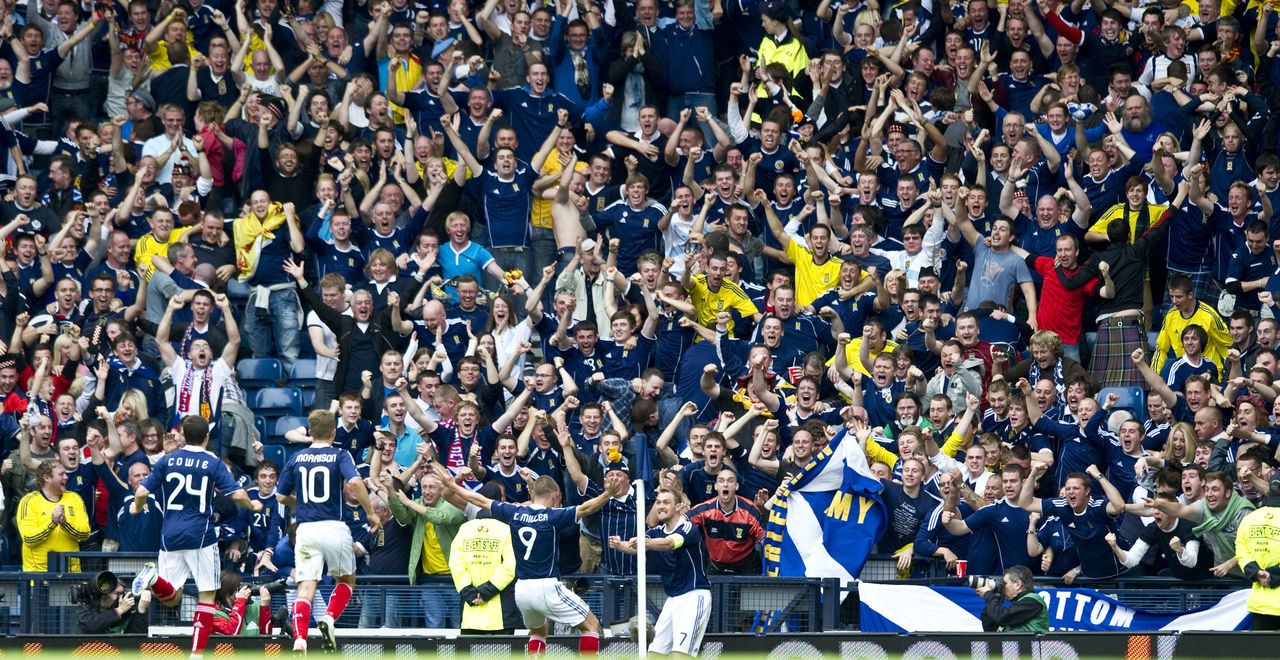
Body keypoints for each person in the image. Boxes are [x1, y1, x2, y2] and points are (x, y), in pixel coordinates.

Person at [430, 461, 624, 656]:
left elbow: (480, 500)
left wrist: (453, 485)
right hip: (546, 587)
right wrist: (607, 494)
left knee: (539, 632)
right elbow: (585, 509)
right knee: (591, 625)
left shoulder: (514, 512)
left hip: (522, 591)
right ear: (555, 494)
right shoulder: (552, 516)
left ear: (532, 494)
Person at [128, 416, 262, 660]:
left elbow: (142, 490)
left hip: (170, 536)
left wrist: (137, 507)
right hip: (200, 535)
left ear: (183, 435)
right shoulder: (212, 462)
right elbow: (237, 493)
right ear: (207, 437)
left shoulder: (168, 460)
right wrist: (252, 504)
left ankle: (153, 577)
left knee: (171, 598)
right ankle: (197, 654)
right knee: (207, 596)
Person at [276, 409, 380, 653]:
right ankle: (329, 618)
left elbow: (281, 496)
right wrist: (370, 512)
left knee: (305, 586)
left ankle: (300, 638)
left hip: (306, 530)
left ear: (310, 432)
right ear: (334, 432)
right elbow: (354, 482)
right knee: (346, 580)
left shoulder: (297, 457)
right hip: (333, 526)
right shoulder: (340, 454)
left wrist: (301, 502)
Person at [609, 488, 712, 657]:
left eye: (666, 502)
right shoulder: (655, 532)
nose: (660, 506)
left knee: (680, 654)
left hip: (695, 596)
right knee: (655, 653)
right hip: (673, 599)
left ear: (678, 507)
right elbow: (637, 547)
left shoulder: (688, 528)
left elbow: (668, 544)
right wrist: (621, 545)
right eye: (658, 502)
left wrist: (644, 543)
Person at [1235, 483, 1280, 630]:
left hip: (1260, 604)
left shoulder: (1250, 518)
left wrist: (1256, 572)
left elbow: (1241, 551)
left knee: (1262, 653)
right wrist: (1275, 575)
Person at [975, 565, 1047, 632]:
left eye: (1005, 583)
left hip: (1031, 645)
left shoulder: (1032, 601)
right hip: (1016, 644)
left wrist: (989, 595)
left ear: (1018, 584)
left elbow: (1002, 617)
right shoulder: (1018, 603)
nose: (1003, 587)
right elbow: (990, 628)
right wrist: (996, 595)